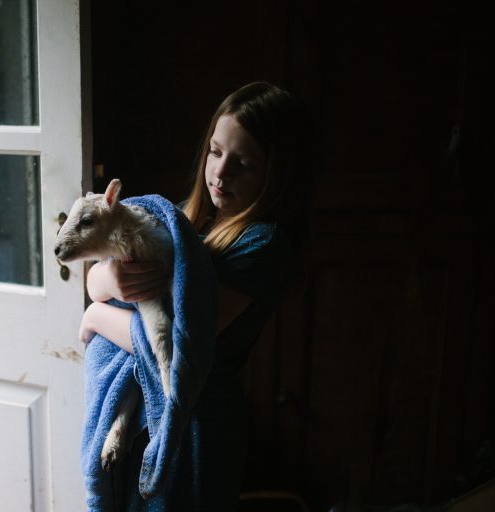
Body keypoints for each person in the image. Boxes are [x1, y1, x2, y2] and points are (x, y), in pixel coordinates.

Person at [78, 81, 313, 511]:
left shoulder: (263, 245)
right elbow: (99, 273)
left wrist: (95, 316)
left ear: (277, 174)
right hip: (146, 407)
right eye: (216, 152)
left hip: (195, 422)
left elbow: (180, 343)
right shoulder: (185, 222)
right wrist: (106, 281)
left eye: (243, 163)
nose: (221, 173)